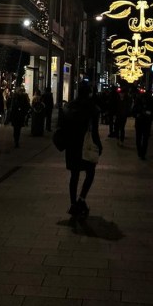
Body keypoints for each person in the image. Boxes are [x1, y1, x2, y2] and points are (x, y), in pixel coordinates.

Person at [60, 80, 102, 218]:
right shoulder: (92, 108)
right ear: (89, 93)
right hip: (85, 145)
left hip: (72, 144)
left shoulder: (70, 106)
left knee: (74, 175)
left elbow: (63, 126)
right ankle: (81, 198)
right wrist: (99, 145)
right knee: (90, 173)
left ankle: (73, 203)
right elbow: (94, 131)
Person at [132, 90, 153, 159]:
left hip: (141, 122)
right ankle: (142, 153)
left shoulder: (140, 102)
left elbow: (133, 112)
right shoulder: (150, 102)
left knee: (140, 138)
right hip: (145, 123)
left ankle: (141, 152)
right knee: (144, 139)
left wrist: (138, 115)